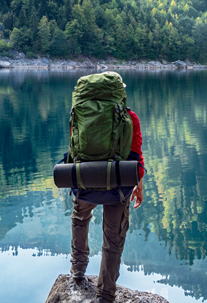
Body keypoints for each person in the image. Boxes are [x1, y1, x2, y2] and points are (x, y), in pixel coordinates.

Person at [69, 72, 145, 303]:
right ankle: (106, 294)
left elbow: (73, 149)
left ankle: (77, 271)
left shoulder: (79, 114)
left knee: (80, 219)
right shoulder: (129, 117)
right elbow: (136, 157)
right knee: (113, 238)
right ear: (119, 93)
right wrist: (139, 186)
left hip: (84, 182)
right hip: (117, 185)